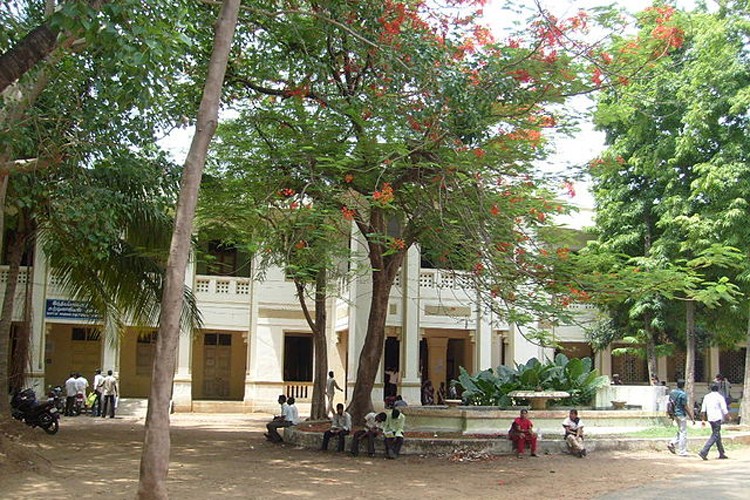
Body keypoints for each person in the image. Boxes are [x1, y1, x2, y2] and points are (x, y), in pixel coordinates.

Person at [698, 383, 729, 460]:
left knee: (717, 434)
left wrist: (703, 419)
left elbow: (703, 410)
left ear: (710, 389)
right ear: (718, 389)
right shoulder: (720, 397)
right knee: (715, 435)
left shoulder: (707, 397)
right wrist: (728, 416)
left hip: (710, 418)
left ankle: (721, 453)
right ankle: (704, 451)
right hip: (717, 418)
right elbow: (724, 409)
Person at [667, 379, 695, 457]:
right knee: (683, 432)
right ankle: (682, 451)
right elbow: (685, 406)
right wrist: (691, 417)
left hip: (674, 414)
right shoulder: (683, 394)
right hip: (681, 414)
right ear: (683, 385)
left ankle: (672, 443)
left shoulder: (672, 393)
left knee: (680, 430)